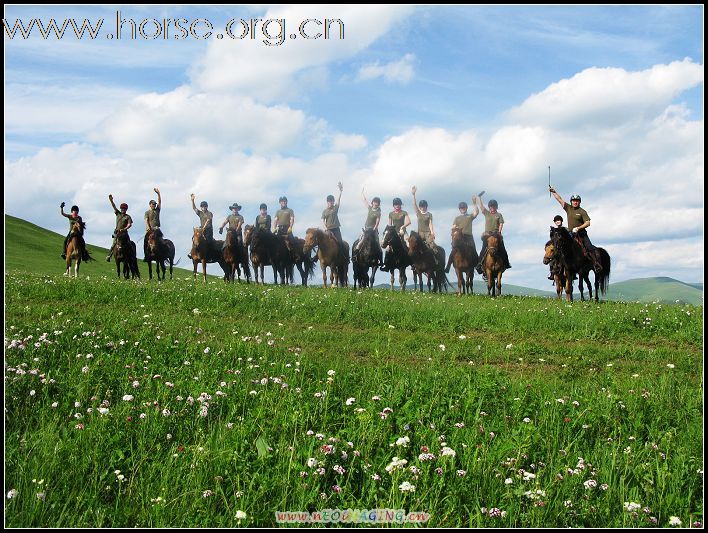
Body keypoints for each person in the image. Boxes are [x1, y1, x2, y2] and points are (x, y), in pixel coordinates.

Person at [549, 186, 602, 272]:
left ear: (579, 202)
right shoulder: (568, 208)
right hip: (571, 234)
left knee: (589, 247)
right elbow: (560, 200)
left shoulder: (582, 211)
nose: (575, 202)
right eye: (573, 201)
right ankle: (559, 267)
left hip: (581, 233)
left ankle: (596, 264)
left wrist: (578, 228)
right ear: (571, 202)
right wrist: (553, 192)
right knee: (561, 246)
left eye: (577, 201)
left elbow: (588, 223)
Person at [475, 197, 511, 276]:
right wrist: (479, 198)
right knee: (483, 250)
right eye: (490, 207)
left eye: (493, 206)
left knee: (503, 249)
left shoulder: (499, 215)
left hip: (496, 234)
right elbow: (481, 207)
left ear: (496, 207)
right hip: (487, 235)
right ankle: (479, 265)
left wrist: (499, 231)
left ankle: (506, 263)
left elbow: (501, 223)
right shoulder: (487, 213)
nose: (492, 208)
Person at [444, 198, 479, 273]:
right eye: (461, 208)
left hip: (468, 236)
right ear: (459, 209)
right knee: (453, 250)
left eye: (464, 208)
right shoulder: (457, 218)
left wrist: (474, 203)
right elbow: (453, 227)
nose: (463, 209)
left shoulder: (469, 216)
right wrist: (455, 229)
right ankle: (448, 266)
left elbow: (476, 212)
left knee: (474, 250)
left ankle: (478, 266)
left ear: (466, 208)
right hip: (459, 237)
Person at [380, 197, 411, 272]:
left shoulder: (404, 213)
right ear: (394, 205)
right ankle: (386, 264)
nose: (397, 206)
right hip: (393, 233)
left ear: (400, 205)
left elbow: (408, 222)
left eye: (398, 204)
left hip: (402, 232)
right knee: (387, 249)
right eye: (396, 204)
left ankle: (412, 262)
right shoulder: (391, 214)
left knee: (409, 245)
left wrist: (403, 226)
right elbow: (390, 224)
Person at [411, 186, 440, 266]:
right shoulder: (418, 213)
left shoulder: (429, 214)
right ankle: (413, 262)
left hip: (427, 233)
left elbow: (430, 224)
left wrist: (432, 233)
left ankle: (436, 260)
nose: (423, 208)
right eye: (421, 206)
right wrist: (413, 194)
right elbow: (414, 204)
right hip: (419, 233)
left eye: (424, 206)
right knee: (413, 245)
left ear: (426, 207)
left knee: (432, 245)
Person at [353, 188, 382, 256]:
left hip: (373, 229)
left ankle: (380, 259)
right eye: (374, 202)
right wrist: (362, 193)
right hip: (366, 228)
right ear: (372, 202)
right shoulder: (370, 208)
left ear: (378, 204)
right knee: (361, 239)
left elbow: (377, 222)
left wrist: (374, 229)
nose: (375, 203)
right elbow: (365, 201)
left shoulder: (378, 212)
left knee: (377, 242)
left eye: (377, 202)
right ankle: (356, 254)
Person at [106, 195, 133, 261]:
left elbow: (130, 224)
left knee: (129, 244)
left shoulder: (128, 217)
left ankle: (132, 255)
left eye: (124, 209)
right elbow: (114, 206)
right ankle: (109, 256)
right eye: (122, 209)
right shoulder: (118, 213)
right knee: (114, 244)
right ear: (121, 209)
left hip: (124, 233)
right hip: (117, 232)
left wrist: (124, 229)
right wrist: (111, 200)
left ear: (126, 209)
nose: (123, 210)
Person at [189, 194, 214, 260]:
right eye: (202, 206)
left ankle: (210, 255)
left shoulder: (209, 213)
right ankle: (192, 253)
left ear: (207, 207)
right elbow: (194, 208)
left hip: (208, 230)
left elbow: (208, 221)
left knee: (209, 242)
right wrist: (192, 200)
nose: (203, 207)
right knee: (195, 239)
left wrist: (203, 228)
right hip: (201, 229)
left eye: (204, 206)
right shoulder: (200, 213)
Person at [143, 187, 161, 261]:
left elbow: (160, 202)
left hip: (156, 228)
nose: (154, 205)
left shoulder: (157, 210)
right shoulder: (147, 212)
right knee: (145, 241)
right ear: (150, 205)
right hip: (150, 229)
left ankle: (162, 254)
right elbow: (146, 220)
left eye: (154, 204)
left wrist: (158, 194)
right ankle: (146, 256)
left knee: (161, 240)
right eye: (153, 204)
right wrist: (149, 228)